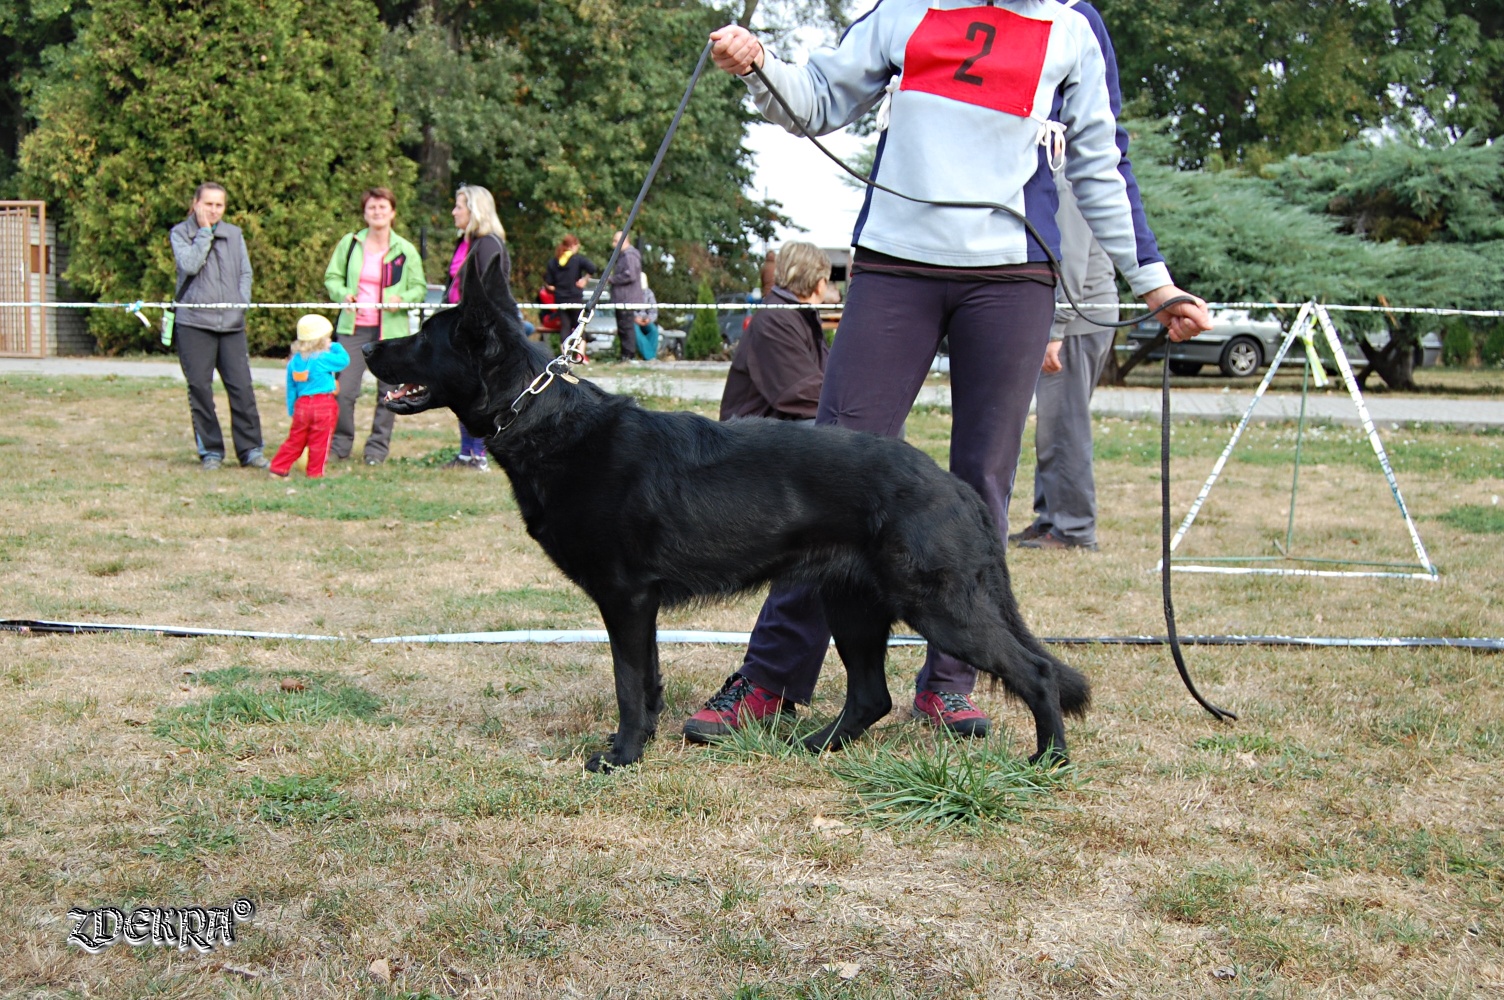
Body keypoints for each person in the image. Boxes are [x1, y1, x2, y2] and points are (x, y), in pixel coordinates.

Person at [684, 3, 1211, 742]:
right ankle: (771, 678)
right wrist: (760, 63)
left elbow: (1101, 163)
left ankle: (952, 681)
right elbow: (818, 100)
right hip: (896, 266)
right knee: (825, 474)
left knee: (981, 483)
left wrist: (1155, 283)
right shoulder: (905, 7)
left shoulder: (1072, 25)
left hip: (1014, 276)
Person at [1012, 166, 1119, 551]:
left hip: (1078, 321)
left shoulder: (1067, 179)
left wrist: (1055, 328)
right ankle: (1050, 519)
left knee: (1064, 427)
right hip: (1081, 317)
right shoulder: (1064, 176)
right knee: (1052, 427)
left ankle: (1073, 530)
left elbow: (1071, 259)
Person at [323, 188, 427, 465]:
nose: (377, 212)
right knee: (344, 391)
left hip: (391, 332)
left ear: (392, 212)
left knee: (389, 392)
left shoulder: (405, 250)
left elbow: (419, 288)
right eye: (372, 207)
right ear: (364, 212)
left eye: (383, 207)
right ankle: (340, 445)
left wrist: (401, 299)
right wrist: (343, 292)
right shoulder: (350, 243)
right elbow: (331, 278)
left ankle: (377, 450)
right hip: (353, 328)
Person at [169, 182, 268, 471]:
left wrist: (241, 303)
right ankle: (211, 450)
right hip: (194, 324)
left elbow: (245, 273)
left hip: (232, 325)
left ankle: (250, 450)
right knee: (200, 388)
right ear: (195, 204)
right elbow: (189, 264)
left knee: (242, 389)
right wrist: (204, 232)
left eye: (219, 205)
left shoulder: (235, 234)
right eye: (208, 204)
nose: (213, 210)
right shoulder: (180, 233)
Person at [717, 242, 831, 422]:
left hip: (775, 425)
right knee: (838, 430)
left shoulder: (798, 314)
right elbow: (799, 390)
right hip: (749, 434)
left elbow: (824, 374)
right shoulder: (776, 319)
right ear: (819, 283)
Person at [443, 184, 511, 472]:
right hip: (461, 326)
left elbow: (487, 292)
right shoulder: (466, 243)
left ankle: (479, 455)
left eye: (459, 206)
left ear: (474, 210)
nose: (454, 211)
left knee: (478, 393)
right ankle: (466, 453)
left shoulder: (488, 245)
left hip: (481, 332)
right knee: (462, 391)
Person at [269, 315, 349, 480]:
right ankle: (315, 473)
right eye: (327, 338)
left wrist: (292, 409)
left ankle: (278, 468)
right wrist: (336, 346)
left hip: (302, 406)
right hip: (324, 404)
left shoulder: (294, 361)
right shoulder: (322, 358)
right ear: (321, 340)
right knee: (320, 441)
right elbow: (344, 361)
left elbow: (291, 388)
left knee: (295, 440)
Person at [542, 235, 599, 344]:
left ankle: (565, 355)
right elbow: (592, 268)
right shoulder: (577, 259)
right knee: (579, 326)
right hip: (575, 298)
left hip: (560, 299)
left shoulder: (554, 261)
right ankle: (580, 355)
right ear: (573, 246)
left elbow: (549, 284)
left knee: (565, 327)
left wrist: (558, 289)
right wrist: (585, 280)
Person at [607, 230, 643, 359]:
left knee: (626, 327)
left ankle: (629, 355)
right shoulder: (624, 255)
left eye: (616, 241)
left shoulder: (630, 256)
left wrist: (612, 279)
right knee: (622, 327)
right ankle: (625, 354)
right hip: (622, 298)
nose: (613, 244)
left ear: (625, 241)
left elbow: (630, 275)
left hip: (627, 299)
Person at [633, 281, 662, 361]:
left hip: (645, 319)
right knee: (636, 332)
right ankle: (650, 357)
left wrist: (649, 319)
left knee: (653, 331)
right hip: (633, 320)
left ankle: (649, 356)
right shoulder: (629, 292)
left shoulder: (648, 293)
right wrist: (635, 318)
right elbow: (627, 310)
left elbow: (653, 310)